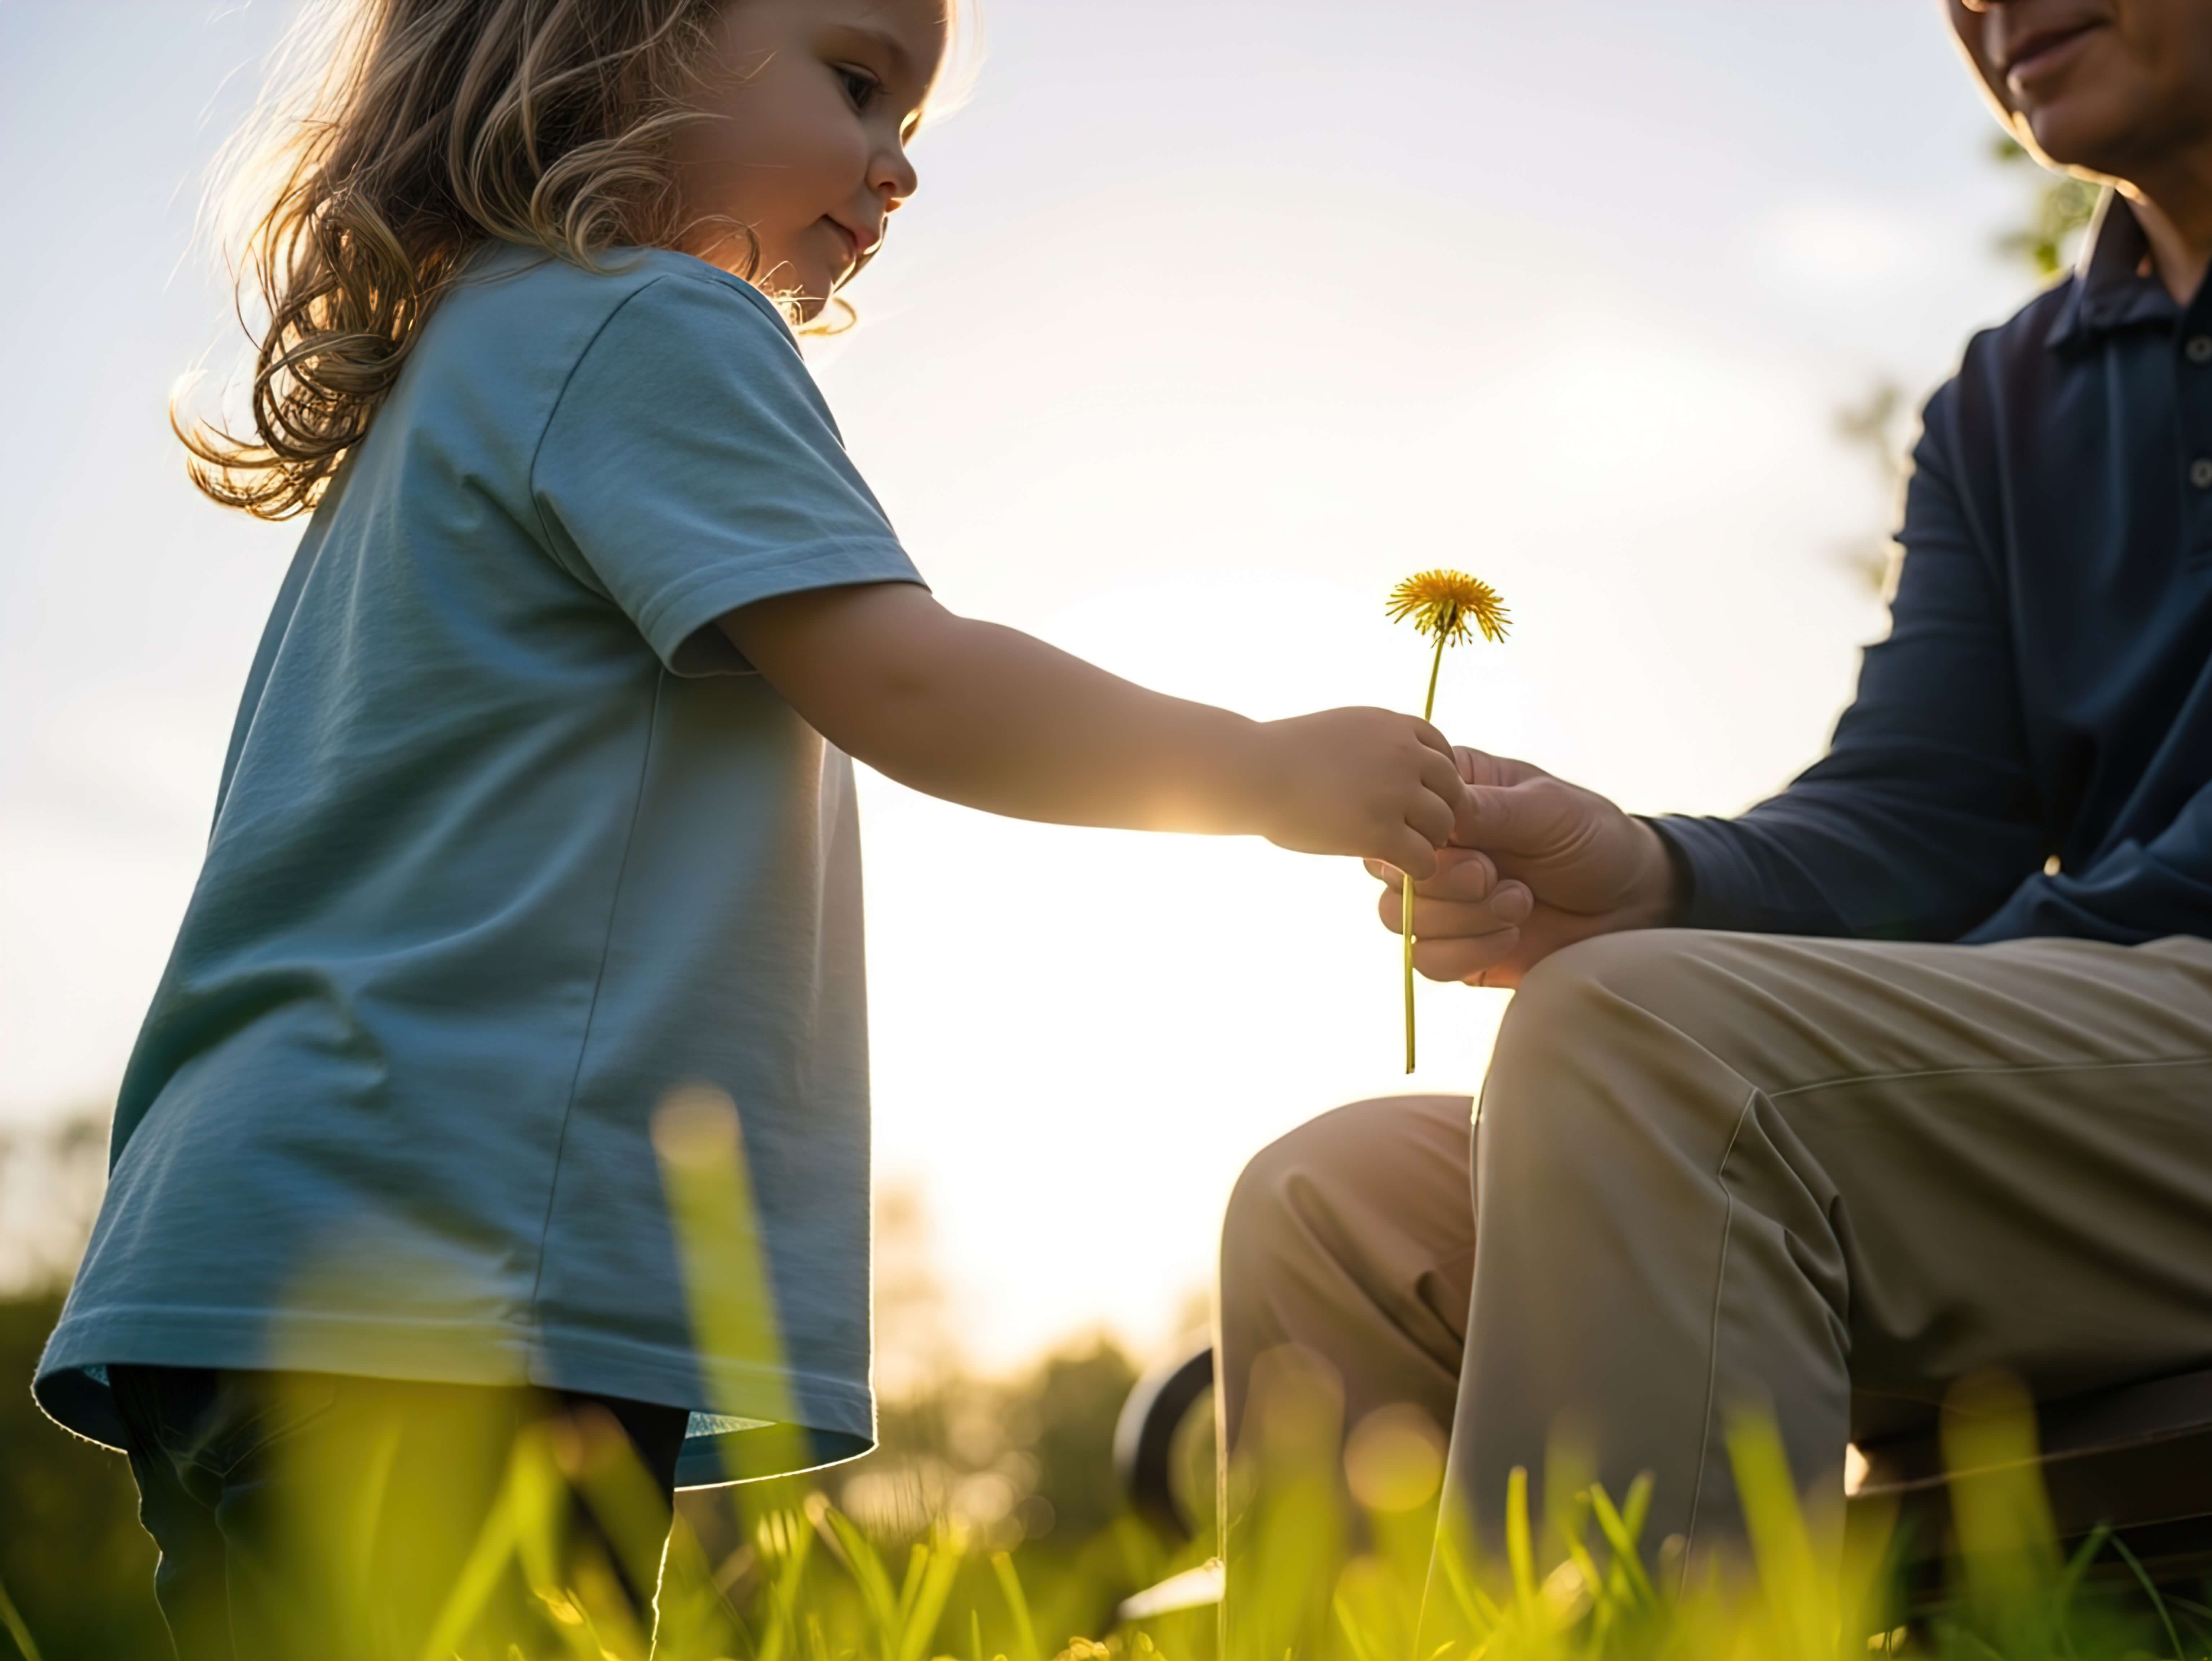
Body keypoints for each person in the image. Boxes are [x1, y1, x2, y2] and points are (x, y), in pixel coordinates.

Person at [1219, 0, 2212, 1581]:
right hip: (2165, 1118)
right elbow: (1914, 813)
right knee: (1336, 1205)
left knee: (1652, 1047)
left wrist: (1945, 980)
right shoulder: (2006, 401)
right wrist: (1653, 874)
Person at [31, 1, 1469, 1655]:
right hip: (454, 1263)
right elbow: (910, 681)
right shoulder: (641, 322)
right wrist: (1267, 772)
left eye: (909, 119)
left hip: (242, 1244)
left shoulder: (471, 362)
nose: (898, 166)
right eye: (857, 82)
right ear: (610, 39)